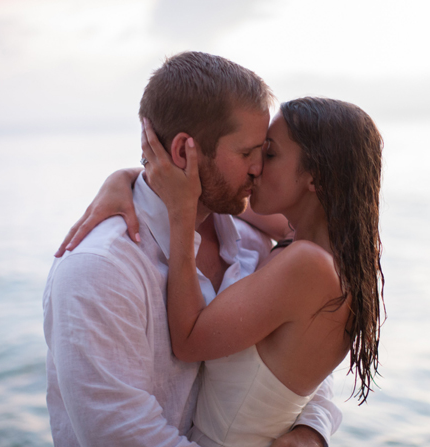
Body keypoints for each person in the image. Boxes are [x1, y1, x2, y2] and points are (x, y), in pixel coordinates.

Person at [43, 52, 340, 447]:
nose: (259, 169)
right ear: (184, 152)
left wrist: (312, 429)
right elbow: (123, 435)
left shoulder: (251, 243)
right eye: (247, 153)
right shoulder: (100, 271)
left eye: (264, 152)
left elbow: (298, 350)